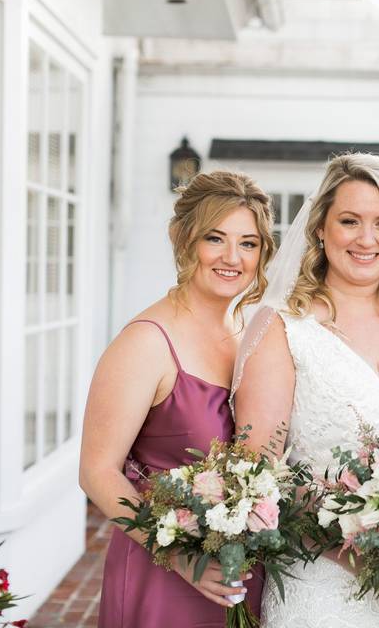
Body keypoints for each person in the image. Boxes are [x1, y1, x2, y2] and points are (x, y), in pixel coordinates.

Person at [232, 153, 379, 627]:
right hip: (321, 588)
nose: (367, 239)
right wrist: (363, 562)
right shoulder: (284, 327)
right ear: (321, 227)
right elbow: (261, 476)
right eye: (349, 221)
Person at [79, 171, 275, 627]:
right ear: (183, 238)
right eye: (215, 238)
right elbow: (96, 471)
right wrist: (180, 558)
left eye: (248, 243)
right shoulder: (145, 343)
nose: (233, 258)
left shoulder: (249, 335)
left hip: (238, 570)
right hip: (164, 573)